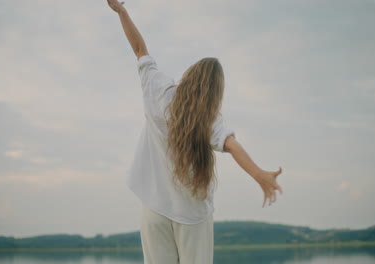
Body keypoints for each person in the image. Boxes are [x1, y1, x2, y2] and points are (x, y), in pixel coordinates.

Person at [107, 1, 284, 263]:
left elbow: (139, 49)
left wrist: (122, 12)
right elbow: (231, 144)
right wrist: (258, 174)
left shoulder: (157, 89)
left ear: (190, 74)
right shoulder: (208, 120)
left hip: (154, 207)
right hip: (192, 213)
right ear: (215, 92)